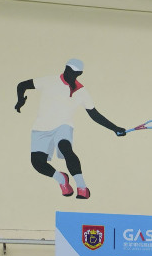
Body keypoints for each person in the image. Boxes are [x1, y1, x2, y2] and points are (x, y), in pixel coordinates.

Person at [13, 59, 127, 199]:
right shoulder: (49, 80)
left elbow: (94, 114)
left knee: (65, 147)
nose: (68, 74)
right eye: (67, 70)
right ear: (65, 68)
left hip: (63, 126)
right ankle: (61, 179)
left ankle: (82, 187)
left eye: (73, 72)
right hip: (41, 127)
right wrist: (20, 100)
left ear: (79, 74)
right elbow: (22, 85)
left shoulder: (82, 91)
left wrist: (114, 128)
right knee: (37, 163)